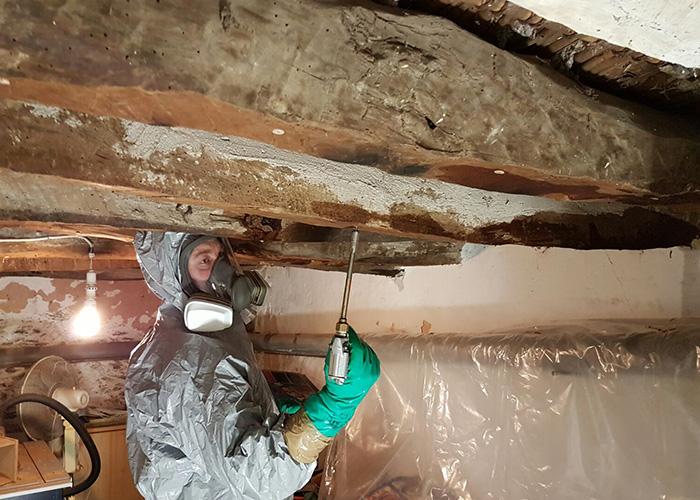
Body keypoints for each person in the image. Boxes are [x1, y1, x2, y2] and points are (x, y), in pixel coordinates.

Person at [125, 232, 380, 500]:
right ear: (176, 275)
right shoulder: (190, 361)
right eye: (204, 260)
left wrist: (263, 406)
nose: (222, 272)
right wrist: (334, 408)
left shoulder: (183, 337)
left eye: (220, 257)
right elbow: (260, 474)